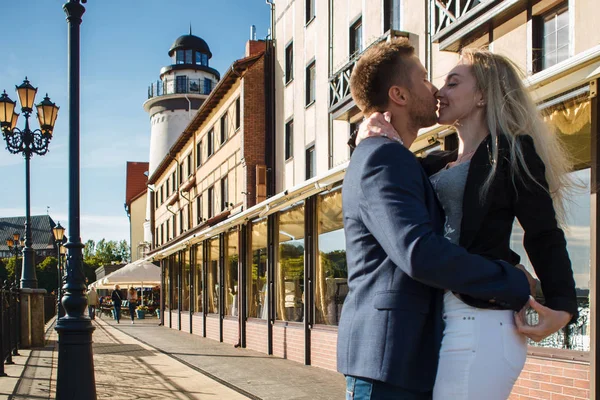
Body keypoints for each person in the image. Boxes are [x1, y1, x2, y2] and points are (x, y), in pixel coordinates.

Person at [354, 48, 577, 399]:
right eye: (438, 82)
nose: (439, 91)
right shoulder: (433, 163)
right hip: (443, 322)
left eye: (453, 83)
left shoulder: (512, 152)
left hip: (484, 323)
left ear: (482, 95)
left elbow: (544, 234)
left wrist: (563, 307)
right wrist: (367, 129)